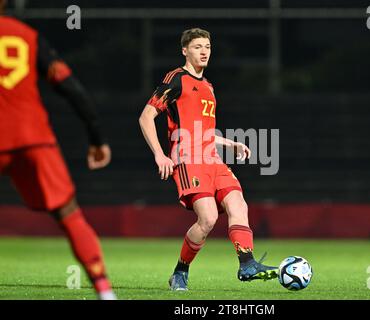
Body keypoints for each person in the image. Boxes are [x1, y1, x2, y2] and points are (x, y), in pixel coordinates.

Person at [139, 28, 278, 291]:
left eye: (207, 47)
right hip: (187, 159)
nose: (204, 52)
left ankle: (247, 263)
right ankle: (180, 271)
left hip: (212, 158)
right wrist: (160, 154)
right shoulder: (176, 79)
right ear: (185, 50)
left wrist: (229, 142)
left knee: (239, 203)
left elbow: (202, 130)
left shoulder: (209, 87)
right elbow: (146, 116)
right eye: (197, 47)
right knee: (208, 219)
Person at [0, 0, 115, 300]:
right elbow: (71, 88)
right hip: (33, 135)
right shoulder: (27, 36)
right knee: (69, 213)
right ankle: (104, 291)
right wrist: (96, 137)